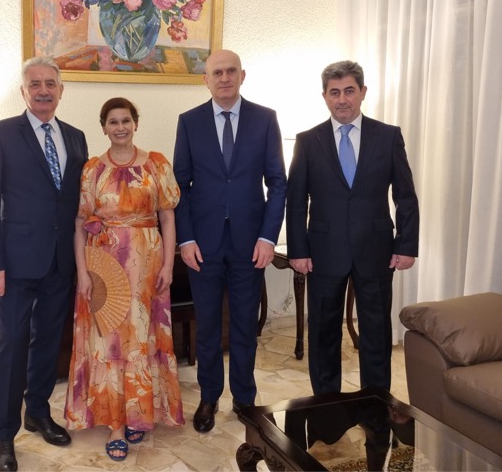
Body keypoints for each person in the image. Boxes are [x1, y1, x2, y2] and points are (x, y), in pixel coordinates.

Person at [0, 56, 88, 472]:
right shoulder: (0, 134)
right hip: (15, 264)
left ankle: (38, 412)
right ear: (23, 92)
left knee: (48, 343)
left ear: (61, 91)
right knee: (12, 346)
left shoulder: (76, 138)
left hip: (60, 262)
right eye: (35, 84)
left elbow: (76, 201)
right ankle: (4, 435)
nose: (43, 90)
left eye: (50, 84)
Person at [286, 60, 419, 395]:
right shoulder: (308, 141)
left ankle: (375, 403)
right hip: (324, 251)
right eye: (334, 93)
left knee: (376, 331)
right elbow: (296, 201)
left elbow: (405, 196)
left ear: (362, 92)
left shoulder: (388, 136)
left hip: (375, 250)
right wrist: (298, 250)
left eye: (349, 91)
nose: (342, 99)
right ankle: (326, 404)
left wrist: (406, 245)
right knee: (323, 331)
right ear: (324, 96)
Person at [173, 49, 287, 432]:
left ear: (242, 75)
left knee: (244, 326)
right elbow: (180, 187)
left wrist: (268, 237)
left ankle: (244, 399)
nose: (224, 78)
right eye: (217, 72)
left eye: (231, 71)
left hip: (249, 245)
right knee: (207, 328)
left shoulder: (264, 119)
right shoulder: (189, 122)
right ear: (205, 79)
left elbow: (278, 183)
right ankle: (209, 397)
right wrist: (186, 239)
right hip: (203, 246)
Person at [65, 97, 184, 461]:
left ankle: (138, 413)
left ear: (135, 123)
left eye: (126, 120)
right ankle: (116, 424)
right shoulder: (92, 170)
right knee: (110, 343)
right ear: (104, 127)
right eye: (113, 122)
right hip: (104, 267)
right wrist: (82, 272)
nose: (120, 127)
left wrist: (168, 266)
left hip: (148, 267)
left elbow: (168, 217)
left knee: (142, 339)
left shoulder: (157, 164)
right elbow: (80, 223)